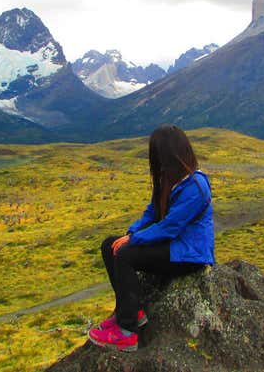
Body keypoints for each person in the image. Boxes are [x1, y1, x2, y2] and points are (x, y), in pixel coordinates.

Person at [87, 124, 214, 352]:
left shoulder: (196, 185)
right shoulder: (169, 178)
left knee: (125, 255)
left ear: (169, 154)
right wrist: (130, 234)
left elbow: (170, 227)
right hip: (172, 246)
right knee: (110, 245)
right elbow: (152, 213)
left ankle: (127, 332)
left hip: (189, 254)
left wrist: (133, 241)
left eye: (158, 154)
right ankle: (131, 310)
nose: (156, 160)